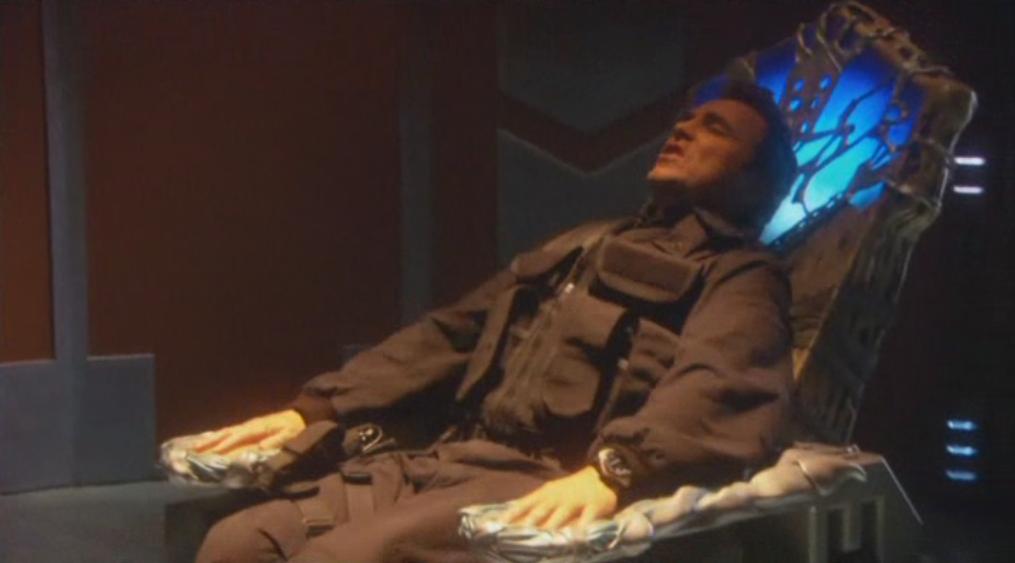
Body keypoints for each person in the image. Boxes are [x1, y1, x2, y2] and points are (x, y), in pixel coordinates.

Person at [192, 79, 798, 563]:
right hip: (449, 457)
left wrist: (617, 470)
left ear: (755, 179)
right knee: (237, 544)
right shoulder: (584, 243)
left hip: (547, 477)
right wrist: (316, 408)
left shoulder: (741, 275)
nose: (683, 130)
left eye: (714, 128)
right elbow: (450, 334)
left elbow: (720, 383)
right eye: (686, 120)